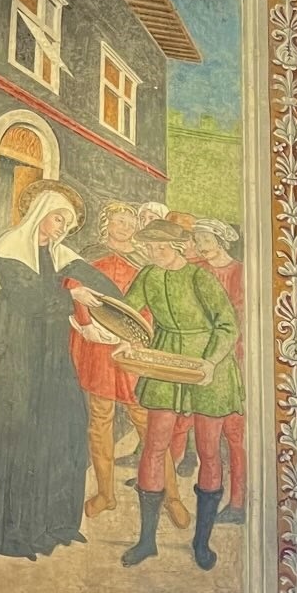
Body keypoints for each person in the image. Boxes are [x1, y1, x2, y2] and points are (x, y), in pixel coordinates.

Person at [0, 181, 122, 559]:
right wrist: (71, 295)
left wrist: (124, 313)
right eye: (59, 219)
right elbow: (27, 299)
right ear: (41, 212)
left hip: (52, 350)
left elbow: (98, 281)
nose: (62, 229)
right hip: (18, 348)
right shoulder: (10, 247)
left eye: (68, 225)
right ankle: (16, 532)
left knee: (64, 426)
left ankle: (55, 523)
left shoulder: (57, 252)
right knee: (23, 431)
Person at [117, 219, 242, 573]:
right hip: (166, 359)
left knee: (208, 450)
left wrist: (209, 362)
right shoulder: (149, 275)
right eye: (150, 248)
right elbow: (129, 314)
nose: (155, 253)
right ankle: (147, 541)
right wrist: (127, 339)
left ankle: (201, 543)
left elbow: (228, 326)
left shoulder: (200, 277)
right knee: (154, 446)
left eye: (161, 247)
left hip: (208, 365)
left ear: (177, 247)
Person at [64, 200, 187, 529]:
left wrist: (140, 337)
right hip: (99, 348)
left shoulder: (145, 259)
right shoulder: (90, 255)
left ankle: (172, 497)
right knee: (100, 421)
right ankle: (106, 494)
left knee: (148, 424)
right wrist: (86, 324)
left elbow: (156, 301)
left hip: (134, 346)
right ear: (107, 224)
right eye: (119, 221)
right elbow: (72, 288)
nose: (125, 227)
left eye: (130, 222)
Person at [182, 221, 246, 525]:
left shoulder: (239, 272)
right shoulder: (198, 271)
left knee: (236, 436)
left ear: (221, 241)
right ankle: (209, 505)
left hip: (236, 359)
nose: (201, 246)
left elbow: (238, 317)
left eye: (206, 239)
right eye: (198, 240)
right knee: (206, 438)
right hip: (202, 360)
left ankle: (238, 503)